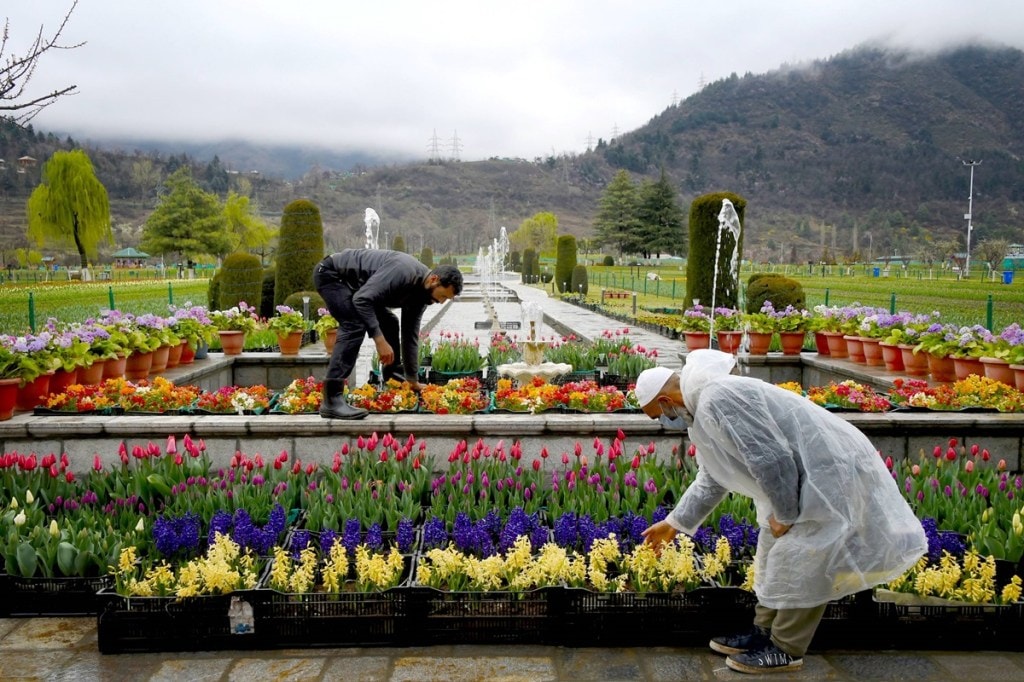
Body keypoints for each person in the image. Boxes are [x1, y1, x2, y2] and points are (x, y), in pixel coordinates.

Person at [635, 350, 926, 675]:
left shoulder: (718, 397)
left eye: (657, 414)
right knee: (772, 552)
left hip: (827, 474)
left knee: (802, 555)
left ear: (664, 400)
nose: (664, 420)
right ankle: (763, 635)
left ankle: (786, 649)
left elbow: (770, 459)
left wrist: (786, 515)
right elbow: (712, 478)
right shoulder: (700, 412)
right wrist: (674, 523)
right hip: (799, 478)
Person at [313, 248, 463, 419]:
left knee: (390, 323)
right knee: (353, 325)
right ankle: (332, 400)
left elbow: (410, 335)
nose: (441, 302)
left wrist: (412, 380)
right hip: (332, 275)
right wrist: (379, 340)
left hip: (358, 287)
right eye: (442, 295)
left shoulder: (422, 296)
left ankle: (394, 380)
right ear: (434, 279)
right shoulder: (403, 271)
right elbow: (362, 300)